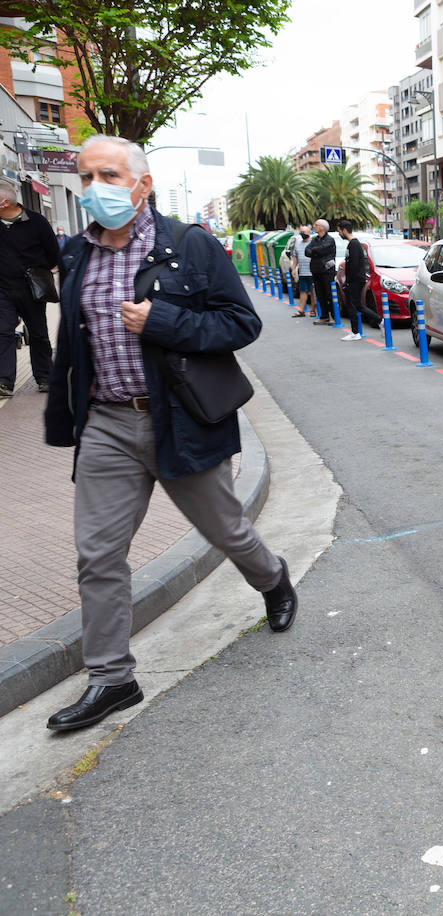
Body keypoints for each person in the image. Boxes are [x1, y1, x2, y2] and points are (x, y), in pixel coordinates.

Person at [42, 135, 298, 733]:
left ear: (142, 184)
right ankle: (112, 678)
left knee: (226, 528)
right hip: (106, 420)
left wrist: (165, 321)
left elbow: (241, 322)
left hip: (179, 419)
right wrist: (63, 416)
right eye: (86, 176)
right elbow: (70, 344)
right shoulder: (77, 254)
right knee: (98, 553)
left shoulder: (187, 245)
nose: (94, 188)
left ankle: (273, 578)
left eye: (108, 174)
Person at [0, 177, 61, 397]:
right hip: (3, 290)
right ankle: (4, 382)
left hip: (32, 289)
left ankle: (45, 377)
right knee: (3, 333)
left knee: (38, 334)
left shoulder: (36, 222)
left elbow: (54, 253)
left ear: (4, 202)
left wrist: (41, 272)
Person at [336, 218, 365, 341]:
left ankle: (355, 332)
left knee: (353, 306)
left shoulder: (354, 244)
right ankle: (355, 331)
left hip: (355, 281)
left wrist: (348, 283)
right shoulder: (353, 243)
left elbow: (353, 266)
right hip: (354, 280)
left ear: (344, 230)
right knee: (356, 305)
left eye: (339, 231)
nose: (339, 234)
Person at [304, 218, 336, 325]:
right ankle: (324, 316)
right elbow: (307, 251)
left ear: (322, 227)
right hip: (316, 270)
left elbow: (322, 249)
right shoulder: (314, 239)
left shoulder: (330, 240)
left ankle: (333, 316)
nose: (314, 226)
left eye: (316, 225)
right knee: (320, 294)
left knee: (329, 294)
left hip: (327, 271)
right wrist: (316, 251)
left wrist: (315, 251)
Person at [289, 225, 314, 318]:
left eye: (305, 232)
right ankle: (301, 310)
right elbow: (295, 256)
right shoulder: (298, 243)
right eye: (301, 232)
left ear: (310, 233)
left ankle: (313, 310)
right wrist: (293, 268)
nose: (303, 234)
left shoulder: (313, 242)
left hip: (312, 272)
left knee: (313, 291)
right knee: (303, 291)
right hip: (302, 271)